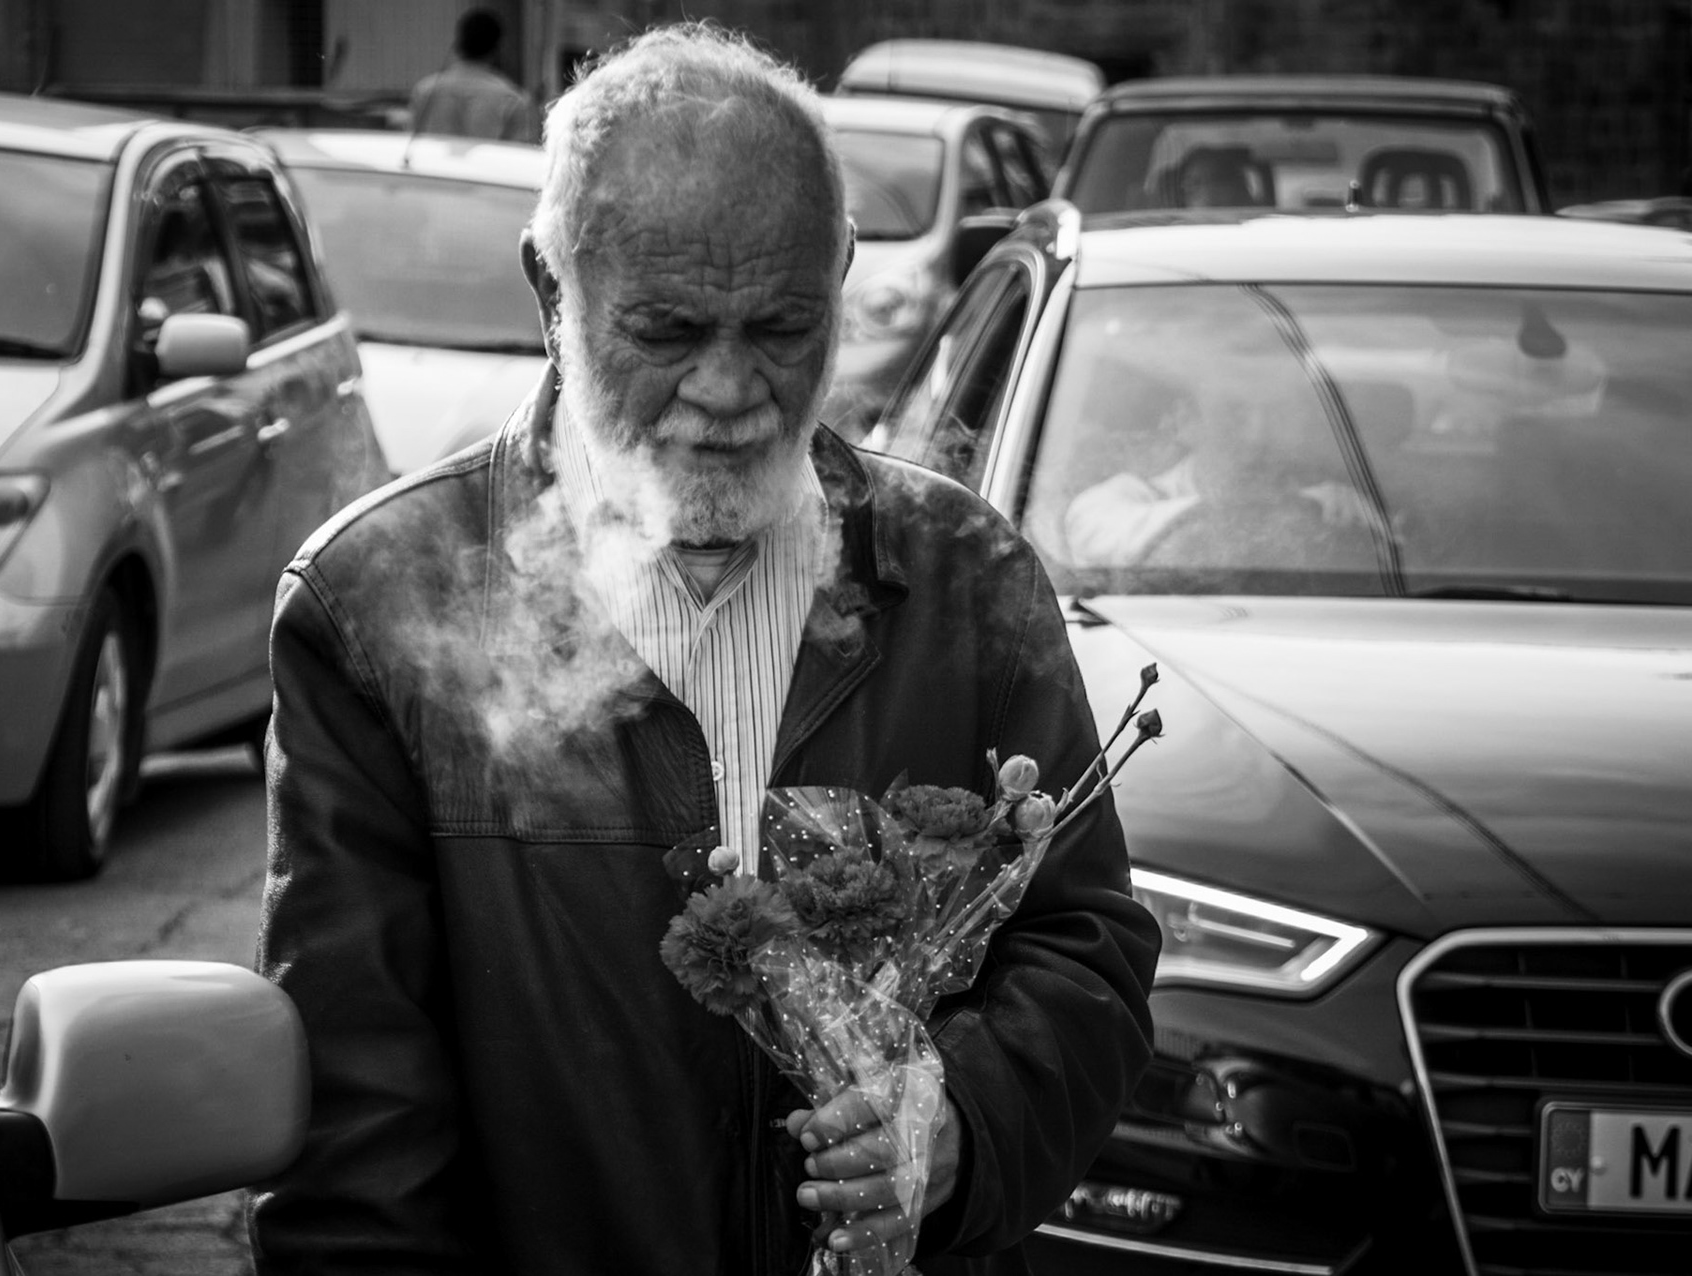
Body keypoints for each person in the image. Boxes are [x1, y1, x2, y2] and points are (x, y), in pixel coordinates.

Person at [250, 24, 1158, 1276]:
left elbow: (1086, 952)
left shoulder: (963, 574)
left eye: (782, 328)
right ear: (551, 292)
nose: (730, 392)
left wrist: (964, 1122)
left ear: (842, 274)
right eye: (668, 332)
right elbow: (360, 1145)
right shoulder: (377, 608)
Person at [1064, 381, 1381, 568]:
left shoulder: (1334, 503)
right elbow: (1098, 532)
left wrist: (1355, 520)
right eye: (1235, 412)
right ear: (1184, 422)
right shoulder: (1114, 503)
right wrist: (1289, 508)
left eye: (1276, 414)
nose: (1258, 435)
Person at [408, 8, 537, 142]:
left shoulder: (425, 91)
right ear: (498, 47)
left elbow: (412, 142)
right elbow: (520, 150)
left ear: (459, 44)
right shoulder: (512, 99)